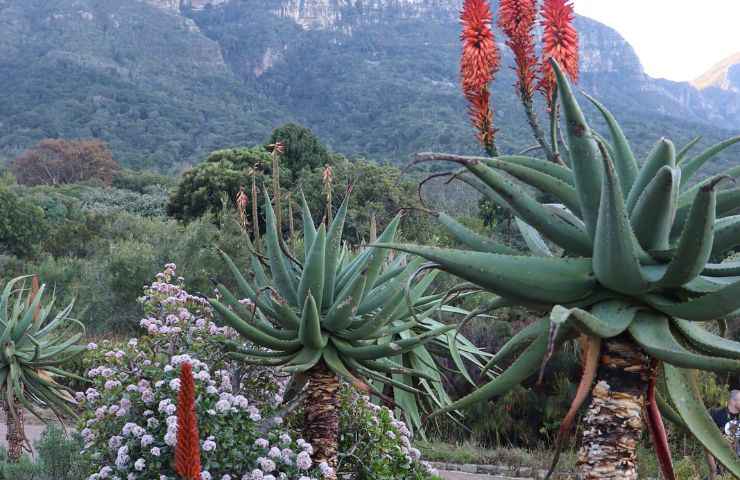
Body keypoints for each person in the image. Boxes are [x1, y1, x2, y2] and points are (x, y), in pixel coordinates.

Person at [707, 390, 740, 478]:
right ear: (733, 401)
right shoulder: (716, 414)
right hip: (717, 458)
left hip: (735, 461)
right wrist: (712, 465)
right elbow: (707, 436)